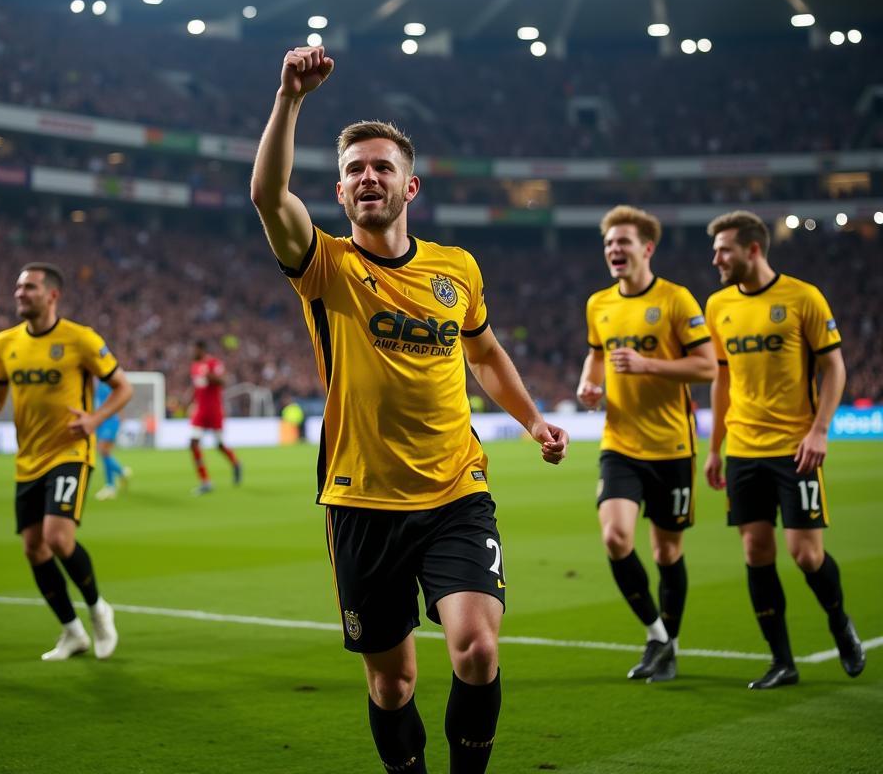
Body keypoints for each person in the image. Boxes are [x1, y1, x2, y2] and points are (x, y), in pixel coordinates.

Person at [250, 44, 568, 774]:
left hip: (456, 490)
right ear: (339, 190)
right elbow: (269, 197)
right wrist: (290, 99)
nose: (368, 177)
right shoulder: (327, 267)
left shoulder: (457, 270)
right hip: (362, 501)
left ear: (409, 185)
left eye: (381, 167)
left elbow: (484, 355)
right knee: (393, 683)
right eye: (355, 169)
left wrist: (531, 419)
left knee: (478, 649)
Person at [704, 211, 865, 689]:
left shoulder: (802, 297)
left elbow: (834, 367)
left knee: (806, 554)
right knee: (756, 551)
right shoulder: (717, 306)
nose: (716, 258)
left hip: (795, 448)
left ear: (753, 249)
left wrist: (819, 431)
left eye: (724, 249)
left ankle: (839, 622)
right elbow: (722, 378)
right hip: (743, 448)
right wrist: (715, 448)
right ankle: (782, 661)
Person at [577, 206, 717, 682]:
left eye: (623, 243)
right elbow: (596, 358)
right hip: (620, 442)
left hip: (672, 446)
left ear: (646, 249)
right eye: (609, 243)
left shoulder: (676, 300)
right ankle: (657, 634)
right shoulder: (599, 304)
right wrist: (588, 387)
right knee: (615, 536)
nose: (614, 250)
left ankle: (668, 647)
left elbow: (706, 367)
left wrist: (648, 366)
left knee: (666, 554)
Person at [0, 263, 132, 661]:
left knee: (57, 539)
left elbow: (122, 387)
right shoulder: (4, 342)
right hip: (28, 458)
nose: (19, 294)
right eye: (18, 287)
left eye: (29, 287)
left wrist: (94, 420)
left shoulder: (80, 339)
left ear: (52, 295)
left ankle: (98, 610)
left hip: (70, 452)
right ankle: (71, 632)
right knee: (33, 549)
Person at [188, 339, 241, 493]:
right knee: (193, 443)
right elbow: (197, 388)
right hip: (200, 410)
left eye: (195, 349)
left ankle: (235, 463)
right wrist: (189, 403)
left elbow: (223, 380)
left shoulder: (213, 363)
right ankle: (205, 481)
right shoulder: (195, 366)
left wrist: (210, 376)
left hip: (214, 410)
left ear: (201, 349)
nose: (193, 352)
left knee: (219, 445)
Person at [94, 376, 131, 501]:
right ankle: (117, 476)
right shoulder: (97, 382)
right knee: (104, 453)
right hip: (101, 421)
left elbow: (119, 397)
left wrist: (120, 417)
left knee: (103, 450)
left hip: (110, 420)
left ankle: (114, 481)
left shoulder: (108, 381)